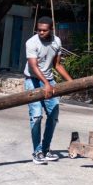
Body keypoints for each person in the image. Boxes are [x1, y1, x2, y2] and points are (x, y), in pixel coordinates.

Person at [23, 16, 73, 165]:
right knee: (36, 117)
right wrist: (45, 83)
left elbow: (57, 65)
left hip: (49, 80)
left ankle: (45, 149)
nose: (41, 32)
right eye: (39, 30)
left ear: (51, 29)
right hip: (32, 80)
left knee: (53, 115)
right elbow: (33, 66)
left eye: (44, 30)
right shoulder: (31, 43)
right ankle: (37, 151)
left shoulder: (56, 41)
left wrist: (72, 82)